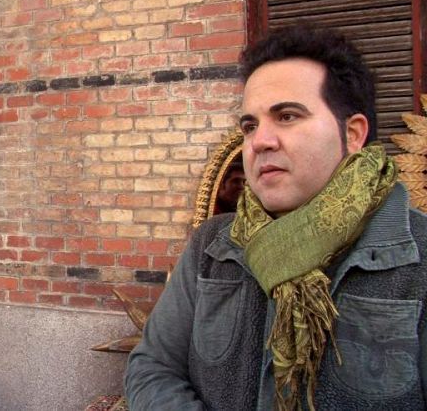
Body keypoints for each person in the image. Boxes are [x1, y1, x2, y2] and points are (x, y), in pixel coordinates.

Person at [125, 24, 427, 410]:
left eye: (286, 116)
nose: (260, 141)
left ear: (352, 134)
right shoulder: (212, 247)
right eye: (250, 125)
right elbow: (153, 366)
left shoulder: (417, 256)